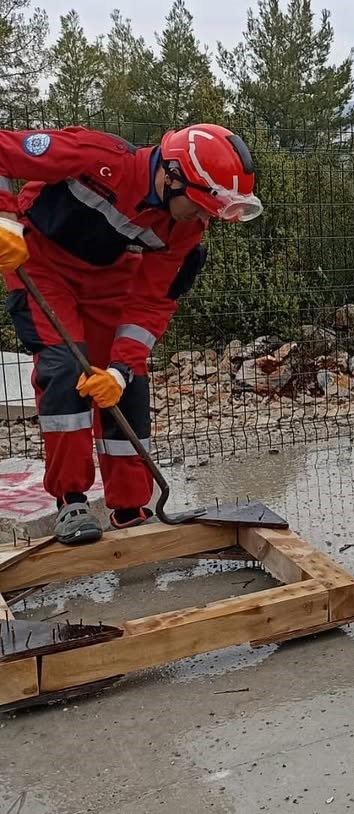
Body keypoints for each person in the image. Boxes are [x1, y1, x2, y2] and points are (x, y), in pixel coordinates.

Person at [0, 123, 262, 544]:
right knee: (66, 370)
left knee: (127, 385)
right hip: (41, 264)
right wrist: (5, 216)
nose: (201, 218)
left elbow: (152, 302)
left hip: (107, 281)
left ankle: (130, 506)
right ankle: (71, 501)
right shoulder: (94, 156)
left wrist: (121, 369)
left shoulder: (185, 229)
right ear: (171, 176)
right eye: (197, 206)